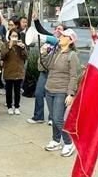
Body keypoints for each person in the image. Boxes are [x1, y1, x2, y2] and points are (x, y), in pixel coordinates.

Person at [41, 28, 80, 157]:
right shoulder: (56, 51)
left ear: (70, 40)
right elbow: (46, 66)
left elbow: (74, 76)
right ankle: (56, 140)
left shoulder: (72, 55)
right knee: (53, 116)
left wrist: (70, 94)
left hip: (61, 91)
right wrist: (44, 54)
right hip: (50, 88)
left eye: (64, 36)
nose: (60, 37)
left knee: (58, 119)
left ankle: (69, 143)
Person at [27, 23, 62, 125]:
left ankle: (52, 118)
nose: (57, 30)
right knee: (38, 93)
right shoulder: (48, 42)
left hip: (53, 73)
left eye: (60, 29)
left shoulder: (62, 44)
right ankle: (38, 116)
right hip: (44, 72)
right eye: (56, 29)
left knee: (51, 95)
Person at [2, 30, 27, 114]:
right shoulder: (5, 45)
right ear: (9, 37)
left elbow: (26, 56)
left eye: (16, 36)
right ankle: (9, 106)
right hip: (8, 71)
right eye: (12, 36)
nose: (14, 38)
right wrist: (9, 47)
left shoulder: (20, 45)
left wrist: (23, 48)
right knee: (8, 90)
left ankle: (17, 106)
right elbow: (2, 56)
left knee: (17, 90)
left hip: (18, 71)